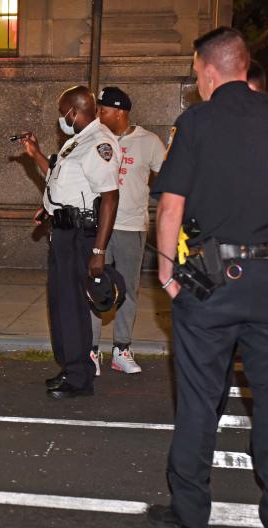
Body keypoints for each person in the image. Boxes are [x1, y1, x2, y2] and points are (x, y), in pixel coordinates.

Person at [146, 27, 268, 528]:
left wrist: (166, 275)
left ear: (208, 71)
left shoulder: (197, 121)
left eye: (196, 74)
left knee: (200, 400)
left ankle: (191, 513)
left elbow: (172, 208)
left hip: (208, 282)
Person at [18, 85, 121, 399]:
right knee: (61, 304)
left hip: (81, 236)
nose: (61, 119)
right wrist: (36, 157)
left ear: (75, 112)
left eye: (63, 114)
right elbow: (62, 183)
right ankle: (71, 368)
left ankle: (78, 378)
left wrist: (99, 250)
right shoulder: (74, 143)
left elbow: (110, 198)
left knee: (74, 307)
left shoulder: (99, 143)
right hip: (63, 232)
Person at [89, 87, 166, 375]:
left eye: (103, 110)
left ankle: (121, 349)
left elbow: (167, 177)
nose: (99, 114)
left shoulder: (149, 142)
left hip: (132, 227)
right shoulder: (95, 138)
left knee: (128, 291)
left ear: (119, 112)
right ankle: (91, 352)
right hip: (99, 228)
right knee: (95, 288)